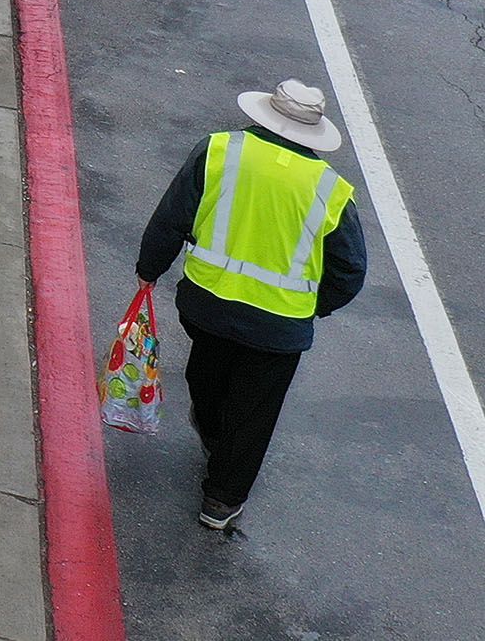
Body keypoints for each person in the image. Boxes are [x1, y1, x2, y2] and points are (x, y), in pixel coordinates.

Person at [136, 80, 366, 531]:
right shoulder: (330, 190)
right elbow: (349, 271)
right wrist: (312, 306)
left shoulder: (219, 150)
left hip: (207, 304)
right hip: (280, 327)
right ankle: (220, 501)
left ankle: (211, 429)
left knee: (208, 372)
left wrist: (150, 269)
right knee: (255, 410)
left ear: (265, 116)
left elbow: (172, 216)